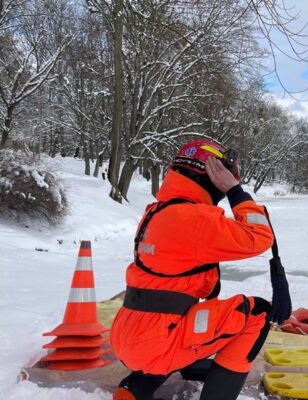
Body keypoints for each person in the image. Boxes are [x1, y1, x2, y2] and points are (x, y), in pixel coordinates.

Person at [110, 138, 292, 400]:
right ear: (211, 176)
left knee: (186, 317)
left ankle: (135, 388)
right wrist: (235, 191)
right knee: (257, 313)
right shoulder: (193, 218)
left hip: (129, 335)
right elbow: (260, 236)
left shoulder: (157, 211)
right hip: (156, 343)